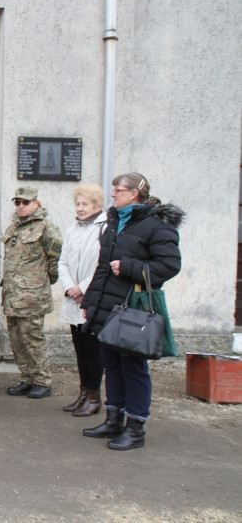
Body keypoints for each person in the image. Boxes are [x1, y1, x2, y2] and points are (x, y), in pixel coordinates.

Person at [81, 173, 183, 450]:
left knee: (133, 368)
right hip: (108, 307)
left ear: (134, 193)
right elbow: (102, 268)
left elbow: (169, 265)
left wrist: (128, 267)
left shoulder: (156, 224)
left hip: (134, 310)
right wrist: (90, 303)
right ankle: (114, 419)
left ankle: (135, 428)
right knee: (112, 363)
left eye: (118, 190)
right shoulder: (115, 221)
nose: (113, 194)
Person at [1, 187, 63, 399]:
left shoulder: (46, 227)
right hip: (12, 296)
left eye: (25, 202)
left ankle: (42, 381)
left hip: (32, 297)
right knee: (17, 340)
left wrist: (43, 282)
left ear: (36, 203)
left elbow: (55, 260)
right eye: (17, 202)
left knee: (33, 339)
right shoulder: (14, 227)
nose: (21, 206)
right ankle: (27, 379)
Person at [58, 184, 108, 417]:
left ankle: (94, 396)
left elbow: (101, 264)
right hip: (73, 297)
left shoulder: (104, 229)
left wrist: (83, 288)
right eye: (78, 204)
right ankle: (83, 393)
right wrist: (70, 287)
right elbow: (63, 262)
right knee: (79, 348)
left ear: (98, 206)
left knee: (92, 349)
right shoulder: (73, 230)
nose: (80, 208)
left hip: (92, 297)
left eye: (85, 204)